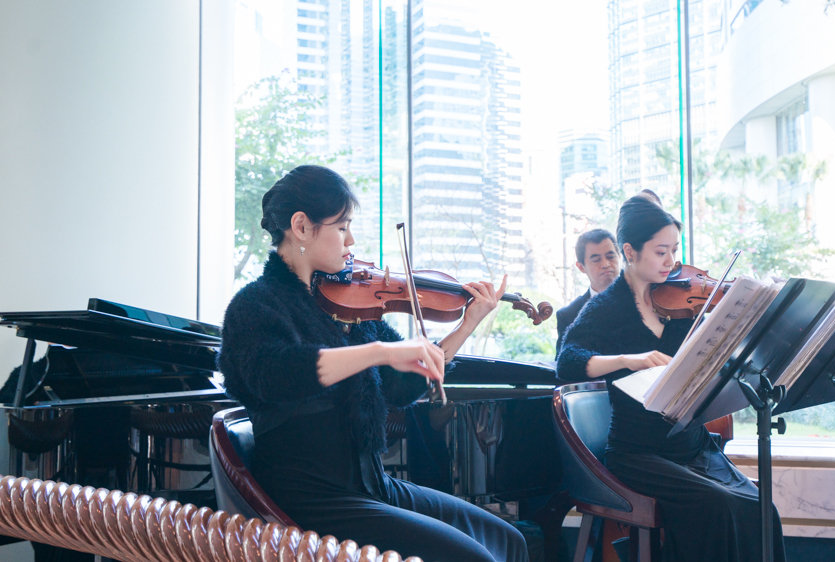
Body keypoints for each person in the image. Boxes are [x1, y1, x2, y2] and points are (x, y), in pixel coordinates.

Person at [217, 165, 528, 562]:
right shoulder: (255, 304)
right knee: (474, 559)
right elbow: (278, 374)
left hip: (373, 486)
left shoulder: (348, 305)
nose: (351, 241)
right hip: (314, 501)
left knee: (508, 540)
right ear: (301, 226)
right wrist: (380, 352)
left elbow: (402, 385)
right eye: (342, 227)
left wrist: (466, 325)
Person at [556, 192, 786, 562]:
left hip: (692, 446)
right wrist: (628, 360)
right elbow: (568, 361)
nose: (672, 261)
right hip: (639, 452)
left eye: (674, 250)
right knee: (717, 506)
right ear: (630, 252)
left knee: (763, 509)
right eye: (661, 251)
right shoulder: (607, 307)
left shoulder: (683, 300)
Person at [555, 229, 619, 355]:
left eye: (611, 257)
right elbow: (563, 364)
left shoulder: (646, 300)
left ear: (620, 256)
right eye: (596, 260)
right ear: (581, 267)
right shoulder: (568, 316)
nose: (606, 264)